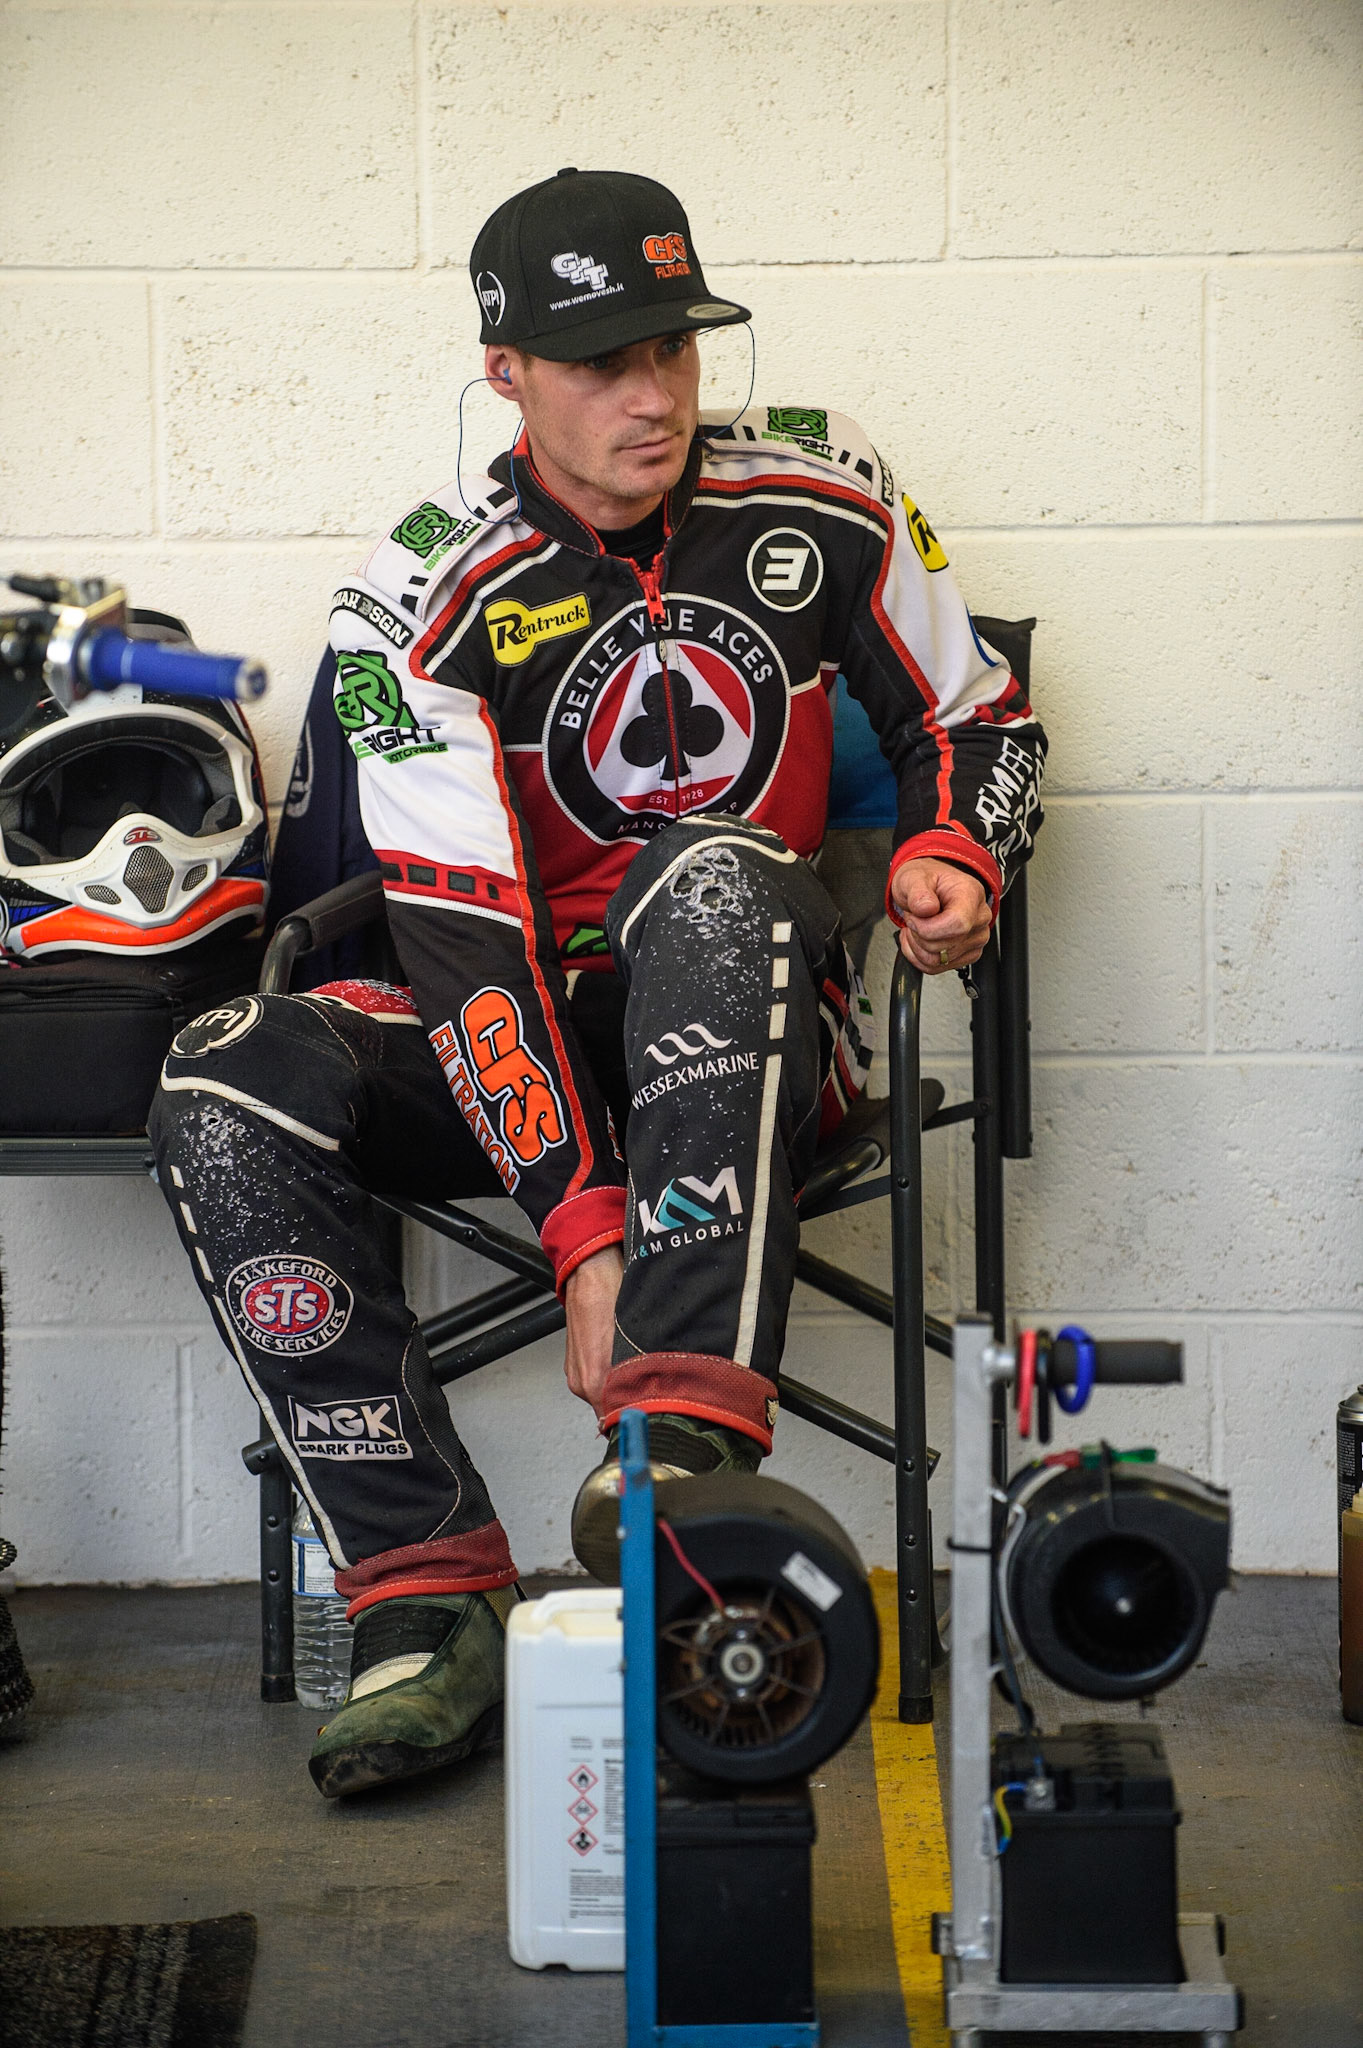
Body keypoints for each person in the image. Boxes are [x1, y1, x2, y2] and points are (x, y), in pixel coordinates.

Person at [150, 167, 1046, 1800]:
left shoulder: (827, 495)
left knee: (712, 873)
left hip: (756, 1031)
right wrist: (579, 1229)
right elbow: (464, 943)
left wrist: (955, 854)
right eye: (600, 362)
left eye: (676, 348)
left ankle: (674, 1464)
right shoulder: (416, 595)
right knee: (223, 1078)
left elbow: (982, 717)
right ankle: (426, 1597)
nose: (654, 396)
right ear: (505, 373)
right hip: (519, 1050)